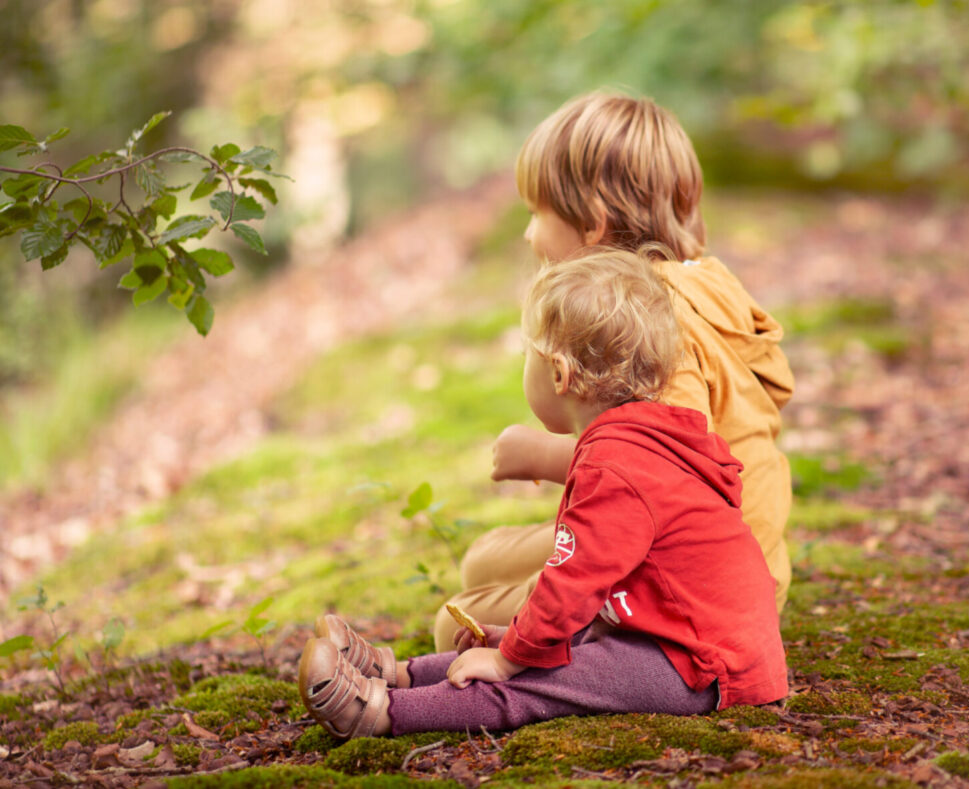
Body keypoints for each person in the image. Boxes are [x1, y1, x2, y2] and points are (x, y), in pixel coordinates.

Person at [297, 250, 788, 738]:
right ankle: (399, 674)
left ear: (558, 374)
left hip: (702, 664)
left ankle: (380, 713)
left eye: (525, 355)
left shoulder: (613, 465)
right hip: (689, 639)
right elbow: (606, 589)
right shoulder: (644, 438)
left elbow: (571, 583)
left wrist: (511, 657)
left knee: (539, 683)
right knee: (542, 650)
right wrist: (515, 639)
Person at [433, 90, 794, 652]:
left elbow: (669, 474)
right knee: (482, 559)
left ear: (594, 225)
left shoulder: (658, 329)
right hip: (713, 550)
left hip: (694, 581)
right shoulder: (703, 286)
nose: (528, 235)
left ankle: (596, 640)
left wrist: (543, 456)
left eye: (536, 214)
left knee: (455, 623)